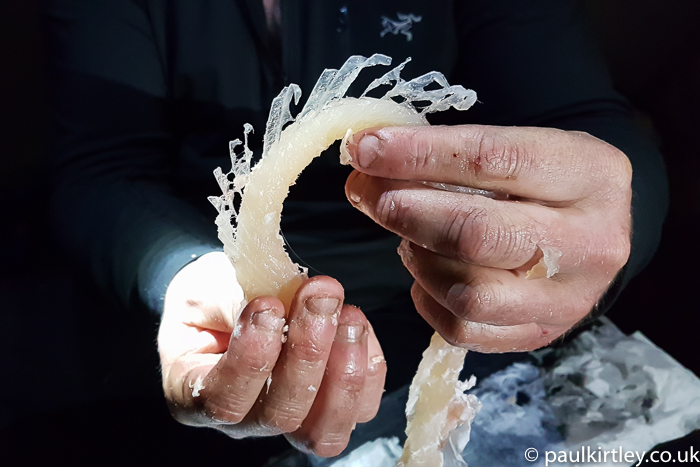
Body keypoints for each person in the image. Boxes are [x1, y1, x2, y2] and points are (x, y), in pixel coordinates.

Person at [43, 0, 667, 459]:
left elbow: (582, 116)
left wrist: (610, 213)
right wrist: (184, 269)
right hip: (210, 309)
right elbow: (101, 167)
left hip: (444, 293)